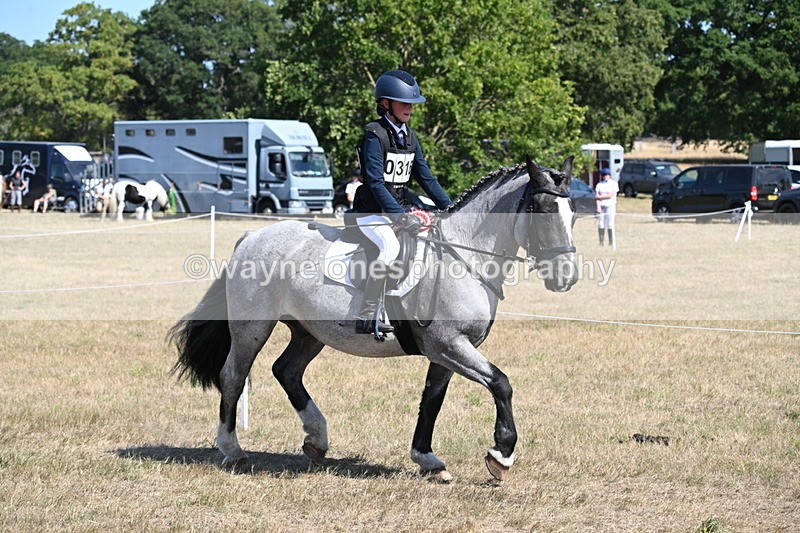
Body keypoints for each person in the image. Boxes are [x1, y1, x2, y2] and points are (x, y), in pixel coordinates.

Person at [351, 69, 454, 335]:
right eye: (404, 102)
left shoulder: (410, 136)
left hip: (398, 209)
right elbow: (375, 183)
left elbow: (426, 178)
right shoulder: (375, 134)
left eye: (411, 103)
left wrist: (451, 207)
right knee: (389, 247)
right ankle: (367, 314)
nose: (409, 107)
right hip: (371, 212)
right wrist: (399, 215)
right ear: (386, 104)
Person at [595, 167, 619, 247]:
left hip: (610, 205)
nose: (606, 176)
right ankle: (601, 242)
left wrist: (600, 197)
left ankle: (611, 242)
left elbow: (610, 195)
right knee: (601, 224)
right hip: (601, 206)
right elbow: (596, 196)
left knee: (610, 223)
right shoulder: (599, 185)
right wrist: (598, 206)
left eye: (607, 174)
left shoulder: (614, 184)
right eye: (604, 175)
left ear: (609, 175)